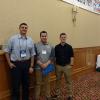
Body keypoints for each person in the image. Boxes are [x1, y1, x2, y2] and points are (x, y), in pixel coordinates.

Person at [4, 23, 35, 100]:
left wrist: (31, 66)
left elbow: (32, 54)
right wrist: (9, 63)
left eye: (25, 28)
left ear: (27, 29)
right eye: (22, 27)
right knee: (15, 85)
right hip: (16, 65)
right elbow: (6, 51)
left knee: (26, 84)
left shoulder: (30, 40)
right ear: (19, 28)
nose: (24, 29)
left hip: (26, 64)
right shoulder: (13, 39)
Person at [34, 31, 55, 100]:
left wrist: (46, 64)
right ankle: (36, 97)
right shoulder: (36, 45)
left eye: (45, 36)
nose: (44, 37)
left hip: (47, 67)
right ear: (40, 37)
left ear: (47, 36)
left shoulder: (51, 46)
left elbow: (52, 57)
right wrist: (41, 64)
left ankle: (48, 96)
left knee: (47, 82)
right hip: (38, 67)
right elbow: (34, 56)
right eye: (42, 36)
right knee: (38, 83)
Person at [55, 33, 74, 100]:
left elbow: (72, 56)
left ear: (66, 38)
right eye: (62, 37)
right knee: (58, 81)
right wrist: (55, 66)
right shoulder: (56, 47)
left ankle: (70, 95)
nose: (63, 38)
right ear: (60, 38)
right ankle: (57, 94)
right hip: (58, 67)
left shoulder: (69, 47)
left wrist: (71, 65)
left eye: (64, 37)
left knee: (68, 81)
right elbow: (54, 57)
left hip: (67, 66)